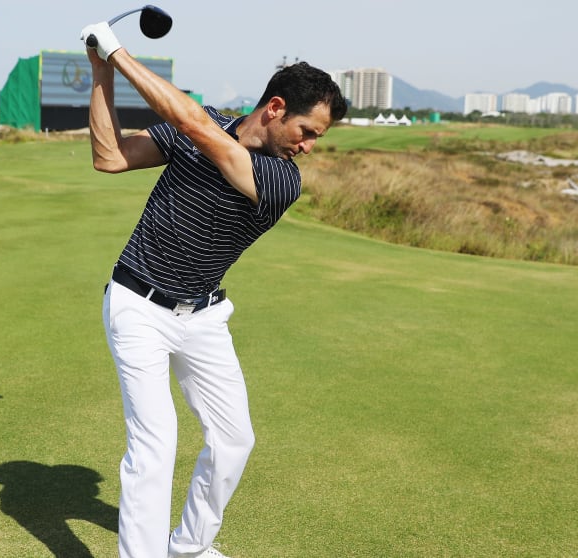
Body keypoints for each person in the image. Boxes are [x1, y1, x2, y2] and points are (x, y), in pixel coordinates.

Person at [79, 20, 347, 558]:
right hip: (138, 306)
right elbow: (110, 156)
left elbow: (200, 128)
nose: (312, 146)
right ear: (275, 109)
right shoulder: (196, 131)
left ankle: (190, 547)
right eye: (308, 131)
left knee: (233, 440)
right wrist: (101, 74)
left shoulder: (280, 180)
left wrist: (118, 50)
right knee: (154, 447)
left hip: (203, 316)